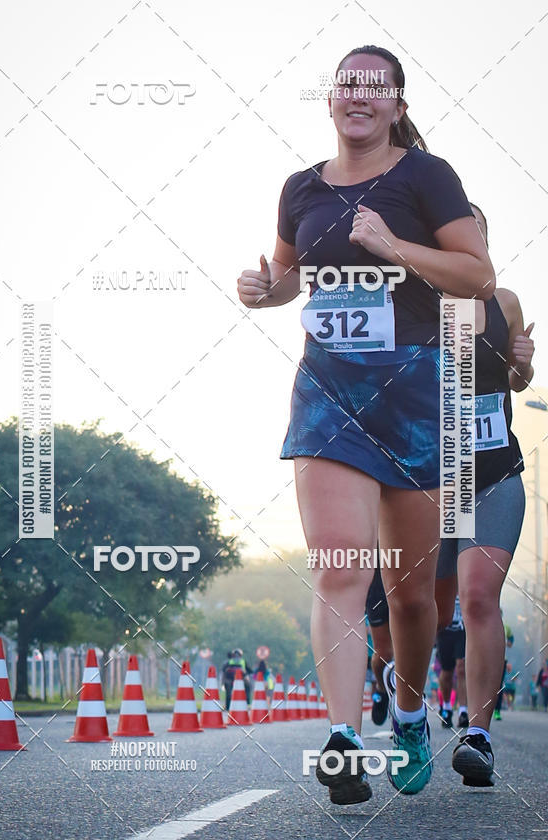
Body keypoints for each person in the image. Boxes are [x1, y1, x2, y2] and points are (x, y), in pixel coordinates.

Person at [238, 44, 495, 803]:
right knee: (340, 568)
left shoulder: (427, 175)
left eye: (375, 88)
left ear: (397, 106)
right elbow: (288, 277)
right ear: (330, 100)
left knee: (412, 596)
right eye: (347, 85)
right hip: (328, 390)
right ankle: (345, 738)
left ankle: (408, 711)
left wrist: (394, 248)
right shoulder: (300, 187)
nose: (359, 97)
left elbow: (478, 276)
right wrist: (263, 289)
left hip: (416, 390)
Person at [435, 204, 534, 787]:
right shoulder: (417, 301)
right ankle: (409, 717)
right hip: (428, 478)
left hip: (495, 470)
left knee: (477, 601)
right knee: (419, 608)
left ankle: (478, 736)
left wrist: (523, 364)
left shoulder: (506, 303)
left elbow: (515, 381)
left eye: (480, 233)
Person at [435, 595, 468, 728]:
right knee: (447, 671)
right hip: (444, 630)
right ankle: (447, 708)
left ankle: (463, 712)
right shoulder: (443, 573)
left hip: (462, 631)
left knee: (461, 668)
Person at [365, 567, 393, 726]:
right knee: (384, 654)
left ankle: (409, 712)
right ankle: (383, 689)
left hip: (410, 570)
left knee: (407, 653)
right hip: (379, 579)